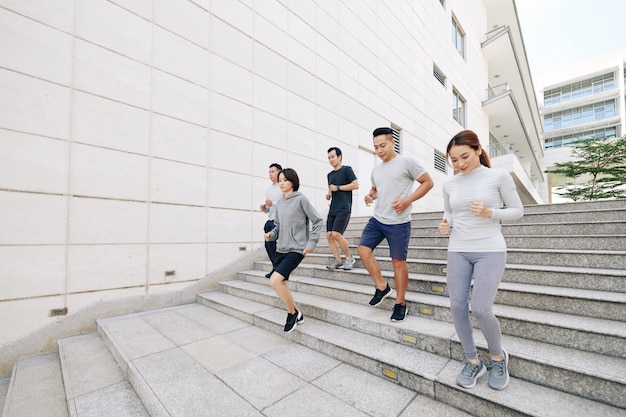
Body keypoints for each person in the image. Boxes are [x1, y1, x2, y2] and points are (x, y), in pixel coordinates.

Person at [437, 129, 523, 391]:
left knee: (482, 308)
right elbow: (450, 212)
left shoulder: (498, 176)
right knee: (457, 306)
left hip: (490, 249)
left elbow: (518, 211)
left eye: (464, 156)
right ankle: (473, 361)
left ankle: (498, 357)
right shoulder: (450, 183)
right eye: (453, 160)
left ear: (478, 150)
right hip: (458, 249)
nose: (460, 164)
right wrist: (445, 223)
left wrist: (489, 212)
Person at [357, 127, 434, 322]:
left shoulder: (406, 162)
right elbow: (376, 189)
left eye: (382, 145)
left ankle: (400, 303)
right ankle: (382, 287)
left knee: (398, 263)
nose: (379, 150)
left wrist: (407, 200)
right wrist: (369, 196)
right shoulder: (376, 169)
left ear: (393, 143)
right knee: (363, 250)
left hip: (399, 222)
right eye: (375, 147)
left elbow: (427, 182)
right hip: (378, 219)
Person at [265, 168, 323, 333]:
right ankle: (298, 314)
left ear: (293, 182)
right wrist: (271, 234)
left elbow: (318, 221)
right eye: (280, 180)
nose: (281, 182)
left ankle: (293, 313)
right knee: (282, 284)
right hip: (281, 248)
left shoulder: (301, 200)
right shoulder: (280, 203)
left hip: (296, 249)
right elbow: (278, 226)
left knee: (274, 281)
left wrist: (311, 243)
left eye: (285, 180)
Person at [325, 147, 359, 270]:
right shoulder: (329, 175)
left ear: (339, 157)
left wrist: (338, 188)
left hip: (344, 207)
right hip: (333, 208)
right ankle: (338, 261)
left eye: (333, 157)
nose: (331, 160)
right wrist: (329, 193)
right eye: (329, 158)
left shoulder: (347, 170)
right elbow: (331, 188)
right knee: (329, 235)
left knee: (336, 234)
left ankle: (349, 258)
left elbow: (356, 185)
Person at [260, 163, 283, 278]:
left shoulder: (283, 186)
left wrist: (272, 203)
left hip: (281, 221)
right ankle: (276, 268)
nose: (270, 174)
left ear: (279, 172)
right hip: (271, 220)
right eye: (269, 172)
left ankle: (279, 269)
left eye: (273, 171)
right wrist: (265, 208)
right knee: (268, 245)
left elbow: (287, 203)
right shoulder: (269, 189)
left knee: (280, 247)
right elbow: (269, 209)